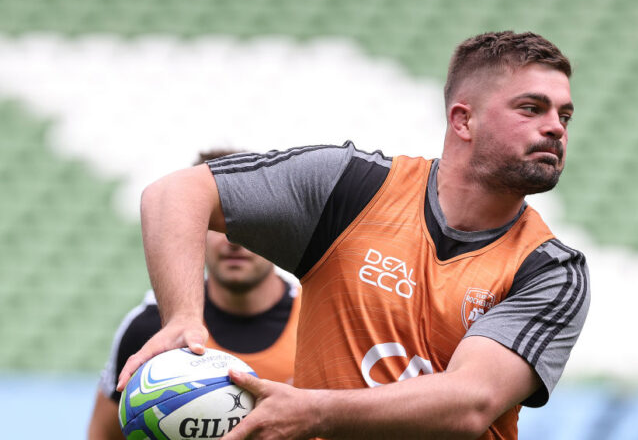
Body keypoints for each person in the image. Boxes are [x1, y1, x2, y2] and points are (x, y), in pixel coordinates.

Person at [118, 30, 590, 440]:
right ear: (463, 120)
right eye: (532, 108)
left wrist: (313, 412)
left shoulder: (550, 270)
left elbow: (470, 403)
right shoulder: (350, 189)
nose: (555, 128)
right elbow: (172, 194)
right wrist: (181, 317)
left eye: (564, 116)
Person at [87, 150, 301, 440]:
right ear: (191, 232)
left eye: (249, 222)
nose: (233, 240)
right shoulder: (150, 327)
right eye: (217, 224)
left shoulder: (318, 320)